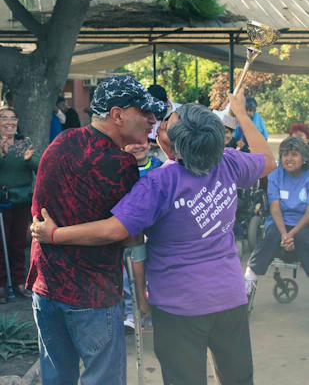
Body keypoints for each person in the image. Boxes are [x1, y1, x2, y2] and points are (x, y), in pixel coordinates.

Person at [31, 89, 276, 385]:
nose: (157, 124)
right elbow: (267, 160)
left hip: (178, 305)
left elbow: (113, 230)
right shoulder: (229, 163)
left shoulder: (159, 183)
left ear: (173, 144)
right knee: (238, 379)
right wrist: (242, 115)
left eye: (165, 123)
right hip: (229, 297)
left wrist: (55, 234)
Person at [26, 75, 167, 385]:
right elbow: (125, 232)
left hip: (45, 286)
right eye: (144, 112)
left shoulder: (63, 140)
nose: (152, 120)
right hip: (90, 294)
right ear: (117, 115)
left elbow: (41, 209)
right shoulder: (120, 164)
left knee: (57, 377)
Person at [245, 136, 309, 295]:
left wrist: (291, 235)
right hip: (280, 222)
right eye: (285, 154)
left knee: (302, 238)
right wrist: (284, 235)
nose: (289, 158)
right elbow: (275, 208)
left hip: (304, 223)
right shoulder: (276, 175)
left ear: (304, 158)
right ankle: (250, 276)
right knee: (271, 236)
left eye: (294, 154)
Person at [0, 107, 40, 304]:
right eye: (4, 118)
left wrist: (29, 158)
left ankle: (18, 281)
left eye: (13, 118)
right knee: (1, 243)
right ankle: (1, 285)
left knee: (18, 244)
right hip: (2, 201)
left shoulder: (26, 143)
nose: (9, 122)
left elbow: (40, 166)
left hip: (23, 199)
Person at [122, 140, 162, 333]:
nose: (137, 146)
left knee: (152, 272)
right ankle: (132, 313)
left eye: (142, 142)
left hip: (154, 229)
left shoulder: (159, 168)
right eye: (131, 144)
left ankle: (155, 313)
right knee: (128, 273)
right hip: (131, 230)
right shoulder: (119, 170)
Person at [147, 84, 181, 162]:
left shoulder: (182, 113)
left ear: (167, 101)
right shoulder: (141, 114)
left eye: (159, 111)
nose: (155, 116)